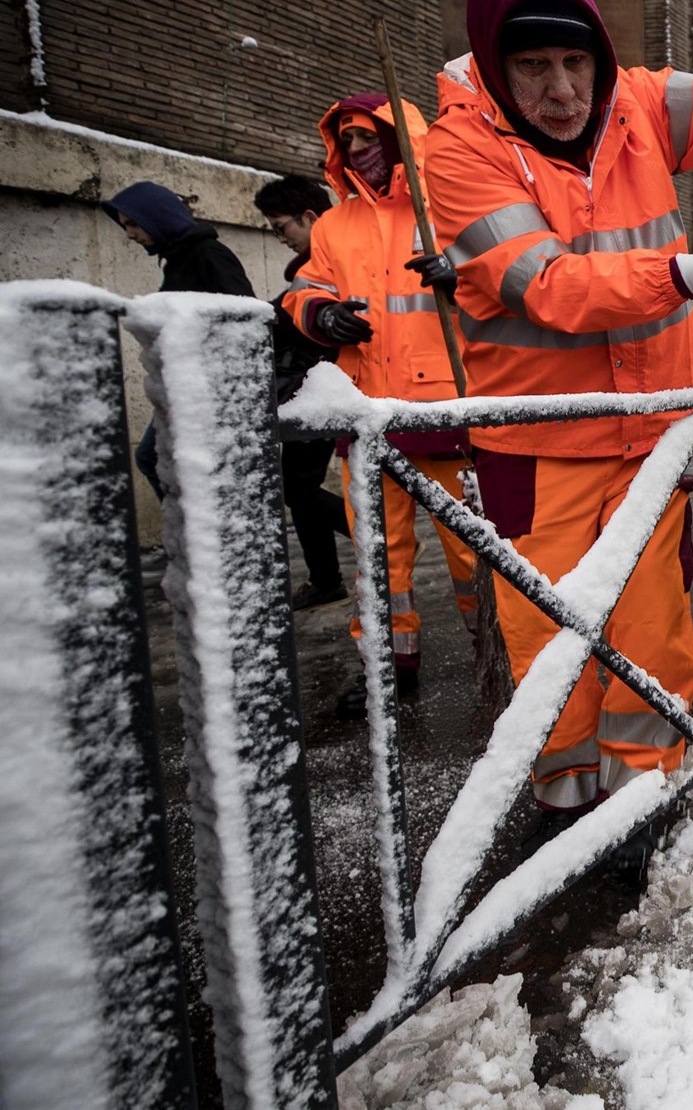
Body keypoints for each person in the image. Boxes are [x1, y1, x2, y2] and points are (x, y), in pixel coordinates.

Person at [425, 0, 693, 884]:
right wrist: (685, 273)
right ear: (495, 66)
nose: (564, 90)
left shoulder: (636, 103)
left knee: (653, 641)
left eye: (577, 62)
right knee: (550, 653)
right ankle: (563, 815)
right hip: (538, 452)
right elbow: (546, 285)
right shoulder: (457, 150)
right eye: (534, 68)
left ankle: (645, 803)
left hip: (651, 439)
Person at [285, 94, 481, 718]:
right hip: (366, 412)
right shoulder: (333, 225)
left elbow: (507, 282)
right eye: (346, 140)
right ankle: (387, 664)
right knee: (377, 556)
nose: (355, 150)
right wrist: (322, 315)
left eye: (367, 137)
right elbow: (304, 291)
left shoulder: (448, 206)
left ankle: (498, 651)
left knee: (472, 553)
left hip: (446, 414)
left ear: (400, 139)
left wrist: (461, 279)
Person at [105, 182, 256, 497]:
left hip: (209, 387)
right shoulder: (179, 256)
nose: (129, 234)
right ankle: (194, 525)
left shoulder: (207, 253)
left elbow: (247, 316)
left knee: (157, 458)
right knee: (160, 460)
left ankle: (197, 526)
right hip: (188, 384)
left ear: (157, 216)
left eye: (133, 224)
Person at [256, 174, 350, 610]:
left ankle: (379, 538)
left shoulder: (337, 261)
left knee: (299, 487)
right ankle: (326, 579)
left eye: (281, 227)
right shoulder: (310, 269)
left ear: (310, 217)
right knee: (299, 486)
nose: (281, 239)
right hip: (310, 389)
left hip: (324, 387)